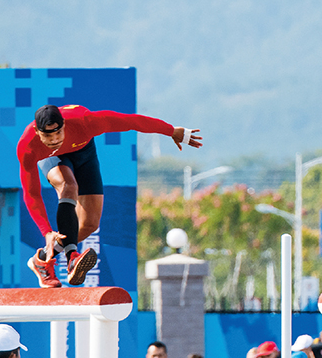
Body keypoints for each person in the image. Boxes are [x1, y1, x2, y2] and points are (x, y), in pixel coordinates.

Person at [20, 104, 203, 288]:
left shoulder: (86, 122)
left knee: (90, 224)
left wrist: (171, 131)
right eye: (47, 136)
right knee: (68, 185)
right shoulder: (28, 147)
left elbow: (131, 121)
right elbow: (31, 192)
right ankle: (72, 258)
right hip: (53, 160)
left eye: (57, 134)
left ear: (64, 124)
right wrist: (47, 232)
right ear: (37, 131)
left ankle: (41, 259)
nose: (53, 141)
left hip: (84, 152)